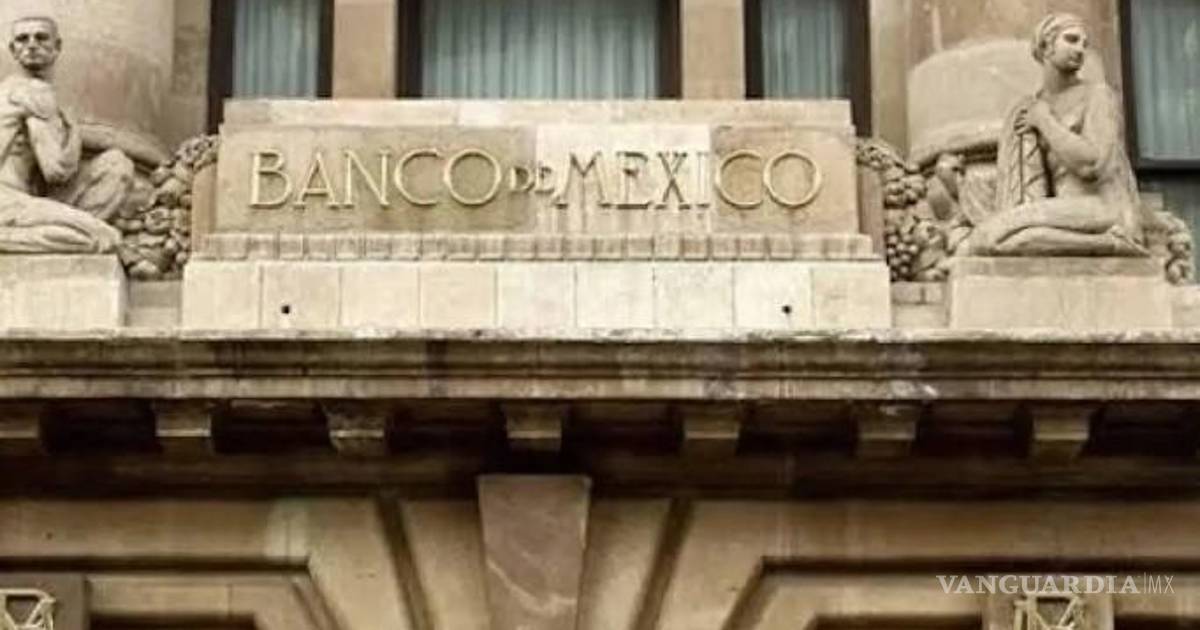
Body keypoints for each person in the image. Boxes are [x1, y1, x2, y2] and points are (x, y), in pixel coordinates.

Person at [966, 13, 1145, 256]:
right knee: (1006, 239)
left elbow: (1091, 165)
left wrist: (1044, 120)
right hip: (1063, 211)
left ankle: (1115, 240)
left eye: (1084, 44)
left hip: (1102, 207)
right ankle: (1104, 244)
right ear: (1046, 47)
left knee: (990, 236)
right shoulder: (1034, 105)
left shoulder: (1097, 95)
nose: (1080, 50)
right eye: (1071, 40)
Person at [0, 16, 132, 254]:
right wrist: (73, 129)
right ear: (13, 49)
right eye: (23, 39)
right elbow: (56, 170)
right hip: (7, 200)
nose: (32, 45)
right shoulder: (31, 92)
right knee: (101, 236)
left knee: (115, 166)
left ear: (57, 46)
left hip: (24, 198)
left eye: (41, 38)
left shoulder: (12, 91)